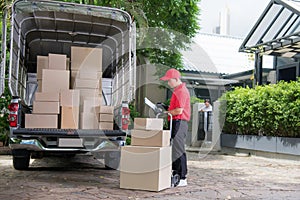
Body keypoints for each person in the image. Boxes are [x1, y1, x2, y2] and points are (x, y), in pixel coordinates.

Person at [160, 68, 190, 187]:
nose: (168, 83)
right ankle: (176, 173)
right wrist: (166, 108)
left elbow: (179, 110)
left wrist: (166, 113)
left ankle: (182, 177)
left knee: (179, 149)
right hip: (176, 121)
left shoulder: (182, 91)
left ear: (176, 79)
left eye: (169, 80)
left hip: (180, 122)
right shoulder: (177, 91)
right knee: (175, 149)